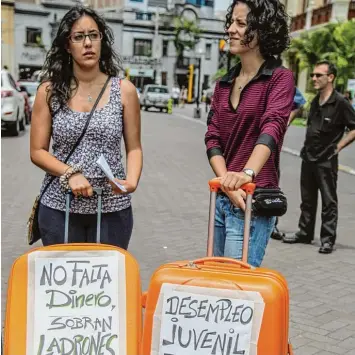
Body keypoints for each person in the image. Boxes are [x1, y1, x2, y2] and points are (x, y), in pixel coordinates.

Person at [30, 6, 143, 248]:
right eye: (79, 37)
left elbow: (134, 148)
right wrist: (70, 173)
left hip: (112, 208)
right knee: (62, 286)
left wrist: (131, 181)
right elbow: (37, 151)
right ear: (67, 45)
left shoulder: (124, 91)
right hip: (59, 208)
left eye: (94, 35)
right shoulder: (49, 92)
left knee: (107, 285)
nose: (88, 43)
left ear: (102, 40)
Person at [205, 0, 294, 266]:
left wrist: (245, 175)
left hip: (252, 203)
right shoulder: (224, 82)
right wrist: (226, 181)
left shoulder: (279, 78)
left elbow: (273, 126)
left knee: (237, 291)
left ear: (262, 31)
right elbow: (212, 137)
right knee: (216, 287)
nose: (231, 29)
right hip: (221, 200)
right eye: (231, 22)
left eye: (241, 24)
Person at [283, 61, 355, 253]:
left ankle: (327, 239)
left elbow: (354, 128)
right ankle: (305, 233)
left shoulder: (340, 102)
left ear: (330, 77)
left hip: (326, 159)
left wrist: (338, 147)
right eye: (313, 75)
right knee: (307, 198)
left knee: (328, 200)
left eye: (318, 75)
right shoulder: (315, 101)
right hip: (308, 157)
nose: (314, 78)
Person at [271, 87, 306, 240]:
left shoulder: (278, 78)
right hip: (244, 145)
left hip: (269, 146)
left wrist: (284, 124)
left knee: (270, 186)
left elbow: (299, 102)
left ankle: (270, 225)